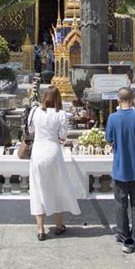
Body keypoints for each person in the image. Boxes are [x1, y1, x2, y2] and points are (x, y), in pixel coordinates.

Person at [29, 86, 80, 240]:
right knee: (57, 187)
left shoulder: (35, 111)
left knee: (37, 189)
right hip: (53, 152)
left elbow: (31, 130)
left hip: (37, 152)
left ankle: (40, 229)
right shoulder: (61, 114)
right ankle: (58, 225)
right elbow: (63, 136)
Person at [105, 87, 135, 254]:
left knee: (120, 203)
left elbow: (109, 139)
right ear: (132, 100)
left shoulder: (112, 118)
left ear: (119, 100)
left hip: (120, 168)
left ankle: (123, 234)